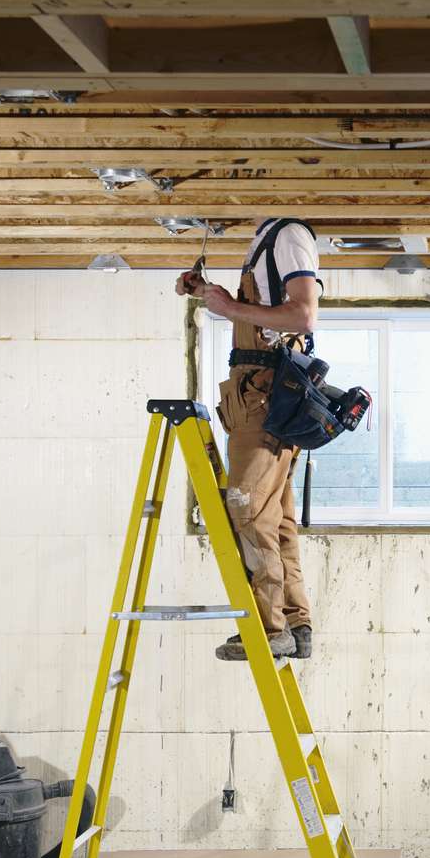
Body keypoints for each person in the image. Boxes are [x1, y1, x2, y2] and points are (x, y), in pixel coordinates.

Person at [175, 218, 321, 660]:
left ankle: (268, 628)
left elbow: (303, 315)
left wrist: (232, 309)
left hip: (264, 396)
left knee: (247, 510)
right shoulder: (266, 242)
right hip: (258, 395)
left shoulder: (288, 235)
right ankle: (295, 624)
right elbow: (269, 315)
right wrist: (212, 296)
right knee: (275, 520)